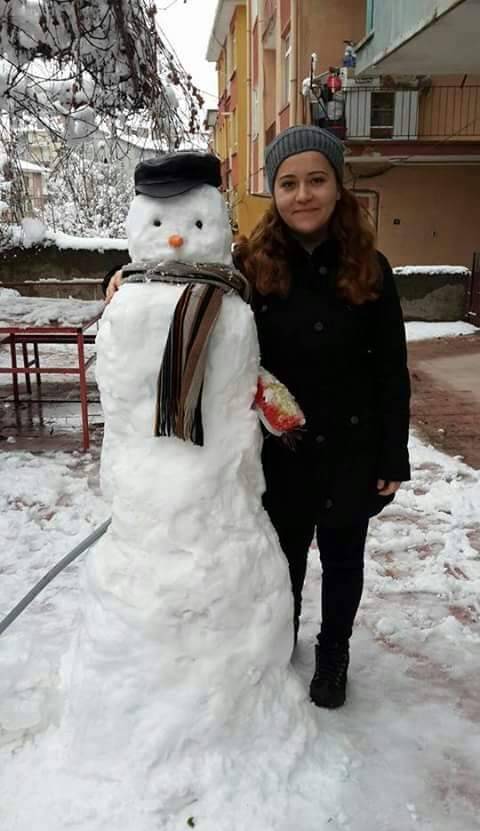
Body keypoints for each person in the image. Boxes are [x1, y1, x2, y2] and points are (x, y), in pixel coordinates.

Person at [103, 127, 411, 711]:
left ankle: (334, 652)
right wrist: (120, 277)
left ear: (337, 186)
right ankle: (277, 643)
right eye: (288, 183)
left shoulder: (371, 267)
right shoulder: (249, 263)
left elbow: (392, 369)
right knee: (283, 558)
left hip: (352, 445)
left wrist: (393, 454)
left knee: (344, 559)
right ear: (274, 191)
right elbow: (179, 277)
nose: (303, 195)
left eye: (316, 180)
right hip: (282, 451)